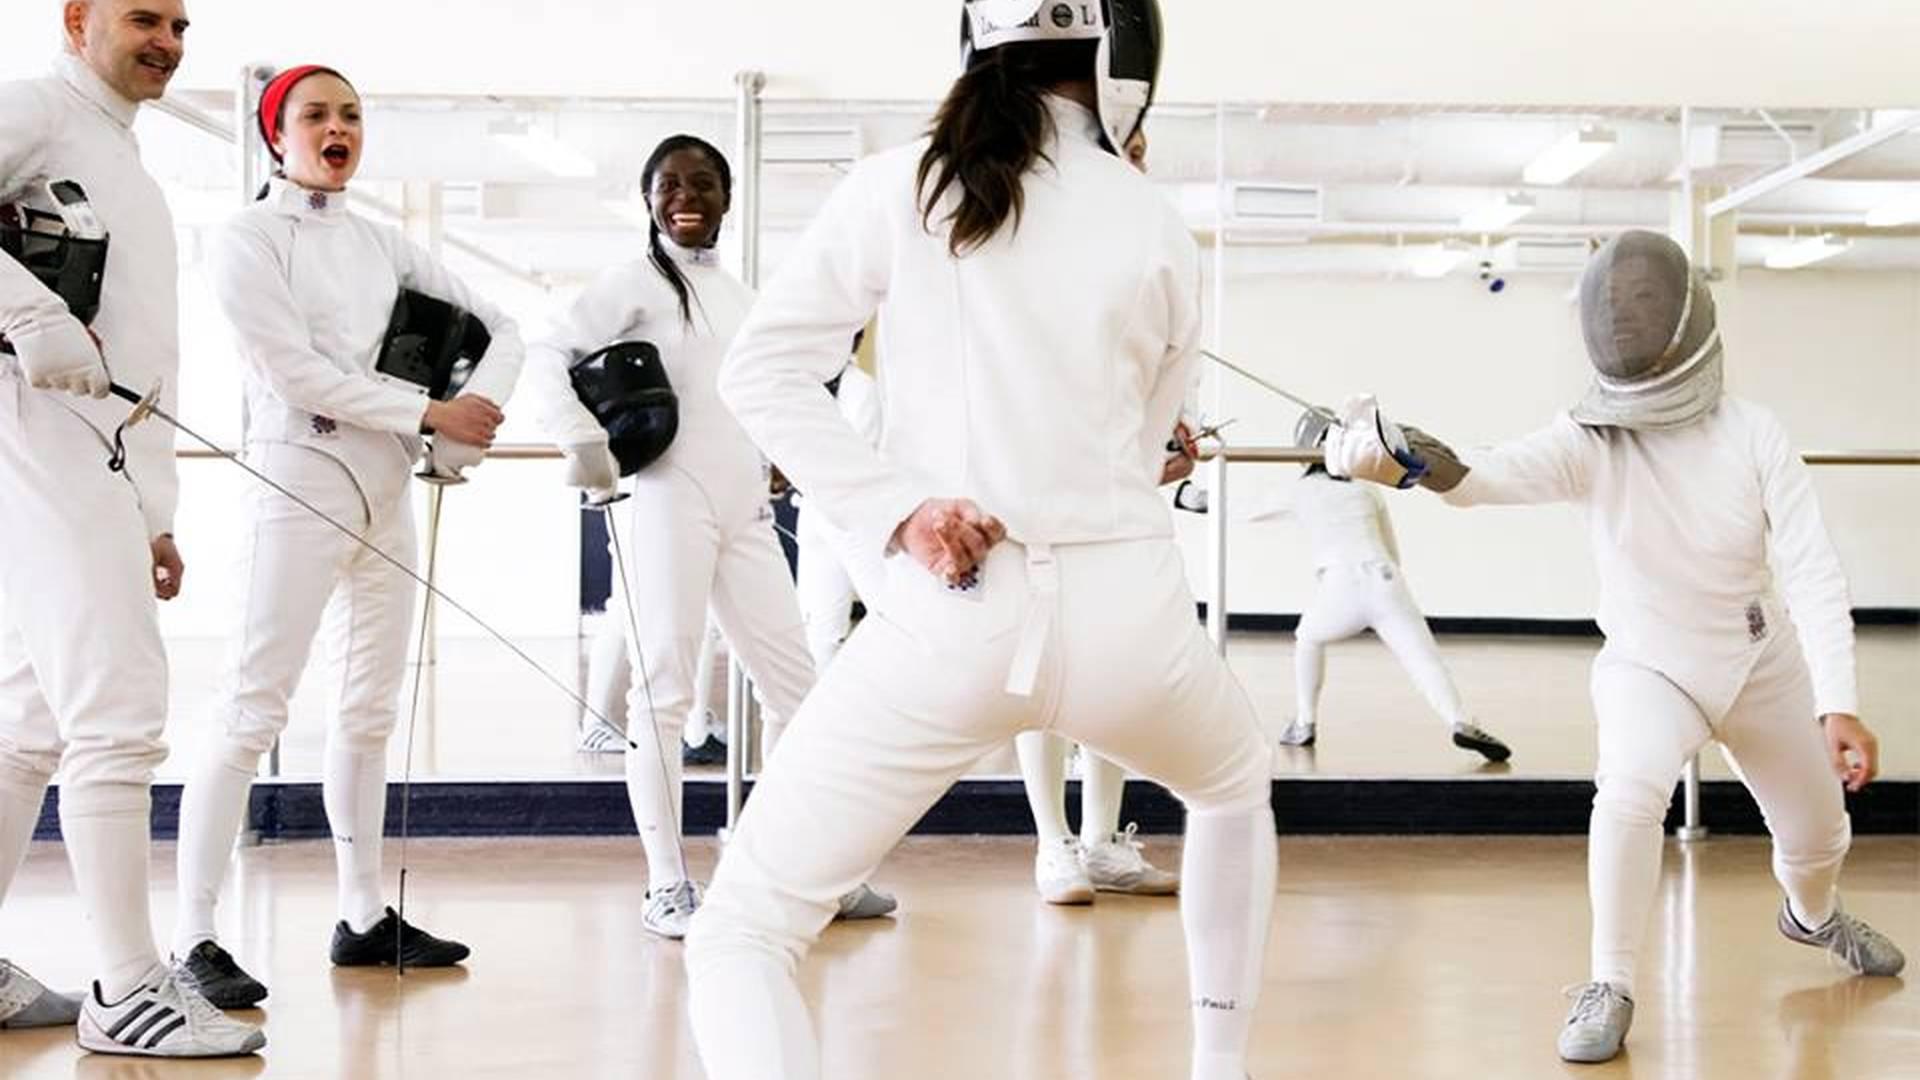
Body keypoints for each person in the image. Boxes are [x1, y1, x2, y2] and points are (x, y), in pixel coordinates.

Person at [686, 5, 1277, 1079]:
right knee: (1234, 785)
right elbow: (1144, 445)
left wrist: (901, 510)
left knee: (742, 934)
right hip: (1131, 627)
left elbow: (760, 373)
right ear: (1119, 57)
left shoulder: (900, 183)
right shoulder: (1155, 220)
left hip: (950, 618)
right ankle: (1219, 1065)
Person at [1324, 229, 1905, 1065]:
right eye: (1617, 303)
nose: (1629, 315)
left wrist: (1837, 701)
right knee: (1629, 792)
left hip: (1756, 658)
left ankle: (1813, 915)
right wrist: (1411, 460)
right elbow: (1488, 475)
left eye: (1644, 300)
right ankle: (1610, 982)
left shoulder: (1754, 433)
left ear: (1681, 314)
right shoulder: (1589, 436)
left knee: (1819, 838)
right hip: (1649, 664)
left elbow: (1813, 570)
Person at [172, 63, 523, 1007]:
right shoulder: (244, 238)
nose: (339, 128)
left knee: (369, 711)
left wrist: (467, 420)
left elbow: (504, 327)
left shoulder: (380, 242)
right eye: (317, 114)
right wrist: (430, 413)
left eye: (352, 115)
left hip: (385, 493)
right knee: (251, 709)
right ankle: (191, 936)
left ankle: (363, 915)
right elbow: (295, 375)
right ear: (275, 133)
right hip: (295, 481)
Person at [529, 135, 890, 938]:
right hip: (665, 500)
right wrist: (579, 440)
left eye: (702, 184)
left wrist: (786, 459)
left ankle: (807, 875)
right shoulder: (628, 286)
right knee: (663, 691)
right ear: (648, 199)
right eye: (668, 184)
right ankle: (666, 884)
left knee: (799, 691)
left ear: (726, 198)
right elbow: (544, 352)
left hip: (745, 510)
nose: (685, 197)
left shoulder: (739, 296)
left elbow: (771, 391)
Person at [0, 0, 262, 1056]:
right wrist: (27, 314)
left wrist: (152, 514)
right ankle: (127, 987)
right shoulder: (35, 111)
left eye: (181, 25)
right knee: (117, 712)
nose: (167, 40)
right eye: (143, 17)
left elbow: (138, 360)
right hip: (32, 434)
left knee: (29, 725)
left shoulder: (124, 159)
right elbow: (56, 325)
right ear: (77, 19)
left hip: (91, 457)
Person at [1013, 126, 1180, 905]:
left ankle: (1101, 841)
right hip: (1035, 498)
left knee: (1114, 676)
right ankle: (1053, 846)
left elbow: (1159, 373)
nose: (1132, 157)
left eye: (1139, 148)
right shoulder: (1027, 241)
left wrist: (1169, 444)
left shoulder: (1145, 246)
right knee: (1042, 678)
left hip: (1118, 507)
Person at [1254, 412, 1510, 760]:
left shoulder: (1301, 490)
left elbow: (1249, 510)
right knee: (1424, 659)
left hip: (1341, 584)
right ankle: (1459, 720)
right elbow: (1391, 547)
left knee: (1308, 637)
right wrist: (1391, 593)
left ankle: (1305, 723)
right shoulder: (1365, 487)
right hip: (1387, 579)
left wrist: (1194, 499)